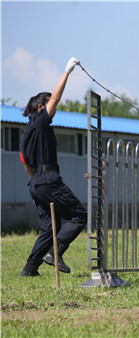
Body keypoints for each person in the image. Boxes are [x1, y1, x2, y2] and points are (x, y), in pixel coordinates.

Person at [19, 57, 87, 277]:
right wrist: (67, 70)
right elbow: (56, 96)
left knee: (50, 228)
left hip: (36, 182)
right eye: (50, 107)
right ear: (41, 107)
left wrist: (34, 183)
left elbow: (24, 161)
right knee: (79, 215)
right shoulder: (40, 120)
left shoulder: (27, 131)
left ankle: (29, 269)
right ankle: (54, 252)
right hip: (48, 180)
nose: (54, 110)